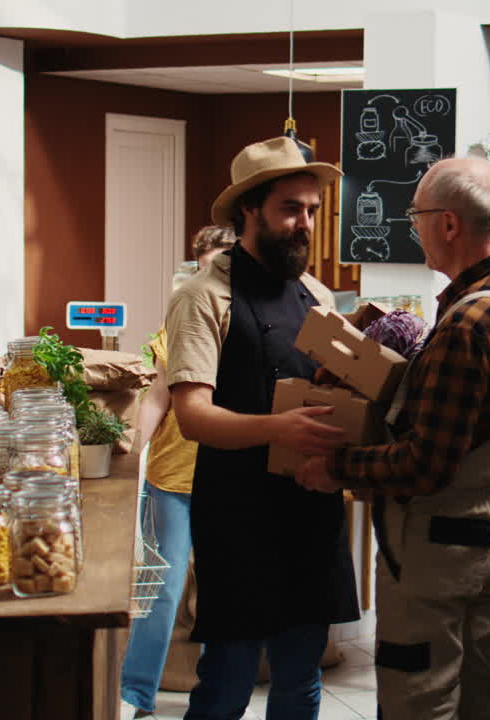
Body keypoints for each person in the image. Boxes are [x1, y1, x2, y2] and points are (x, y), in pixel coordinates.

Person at [296, 156, 490, 720]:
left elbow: (425, 464)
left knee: (420, 693)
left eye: (415, 217)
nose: (413, 228)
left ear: (449, 224)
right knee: (479, 687)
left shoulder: (467, 325)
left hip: (439, 541)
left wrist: (335, 468)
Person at [165, 136, 361, 720]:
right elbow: (193, 416)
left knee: (301, 680)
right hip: (238, 515)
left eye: (312, 211)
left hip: (311, 507)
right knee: (226, 681)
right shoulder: (204, 297)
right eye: (290, 209)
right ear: (249, 209)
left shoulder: (316, 295)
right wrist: (280, 429)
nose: (305, 224)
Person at [121, 225, 235, 718]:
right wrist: (131, 451)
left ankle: (215, 693)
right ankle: (135, 693)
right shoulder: (179, 325)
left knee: (222, 590)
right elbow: (156, 399)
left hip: (230, 480)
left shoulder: (251, 327)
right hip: (171, 478)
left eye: (220, 267)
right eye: (202, 268)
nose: (209, 280)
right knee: (161, 588)